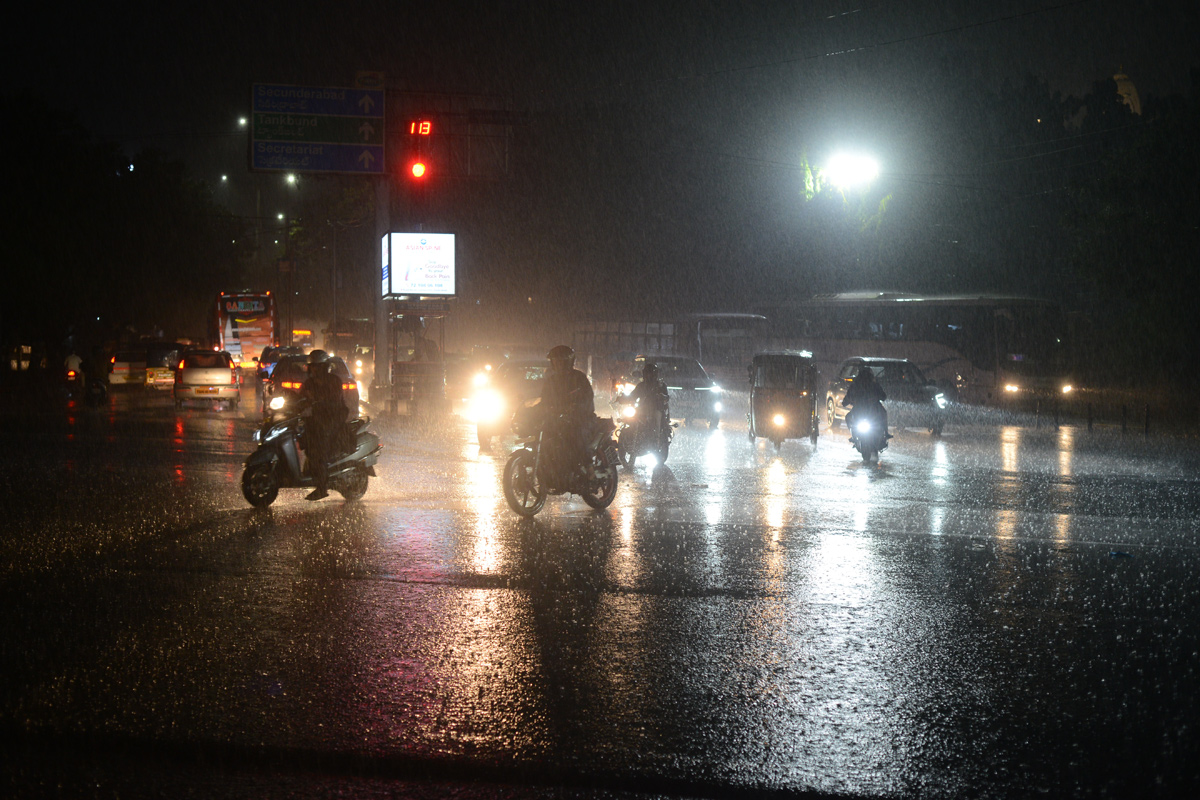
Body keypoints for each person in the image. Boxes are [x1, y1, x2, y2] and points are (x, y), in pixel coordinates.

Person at [540, 345, 595, 479]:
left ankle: (589, 468)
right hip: (559, 418)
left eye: (560, 361)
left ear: (568, 362)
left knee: (577, 434)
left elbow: (588, 398)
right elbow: (545, 400)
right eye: (555, 361)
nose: (558, 364)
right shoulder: (551, 381)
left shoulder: (579, 378)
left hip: (582, 418)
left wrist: (576, 408)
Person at [299, 349, 347, 501]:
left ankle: (322, 487)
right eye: (313, 366)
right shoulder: (309, 382)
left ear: (325, 367)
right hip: (317, 417)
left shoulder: (334, 381)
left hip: (333, 417)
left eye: (318, 366)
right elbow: (302, 398)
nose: (315, 369)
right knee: (304, 438)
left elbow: (333, 400)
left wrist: (319, 400)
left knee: (319, 448)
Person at [842, 365, 889, 438]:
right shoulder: (873, 385)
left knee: (848, 417)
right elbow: (883, 396)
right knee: (883, 414)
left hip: (865, 409)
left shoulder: (856, 386)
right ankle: (854, 435)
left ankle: (885, 433)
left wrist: (845, 402)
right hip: (868, 409)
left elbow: (883, 396)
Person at [627, 360, 669, 441]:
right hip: (642, 409)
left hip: (656, 409)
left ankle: (657, 441)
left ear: (655, 374)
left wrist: (662, 396)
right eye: (647, 373)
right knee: (630, 419)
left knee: (657, 420)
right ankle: (630, 437)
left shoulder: (661, 385)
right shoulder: (641, 386)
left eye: (650, 373)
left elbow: (666, 397)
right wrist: (623, 398)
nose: (649, 375)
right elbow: (633, 395)